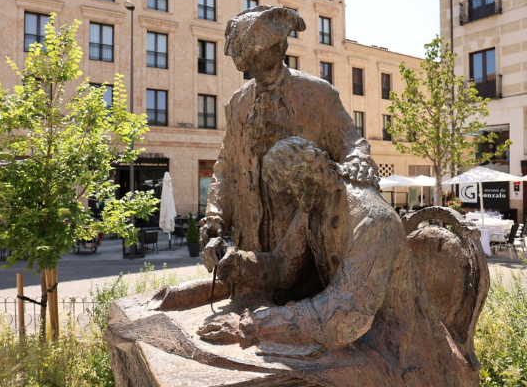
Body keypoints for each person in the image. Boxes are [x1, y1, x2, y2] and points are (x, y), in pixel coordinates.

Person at [198, 137, 477, 387]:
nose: (290, 202)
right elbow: (283, 266)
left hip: (398, 353)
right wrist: (235, 262)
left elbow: (345, 315)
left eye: (289, 193)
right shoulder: (314, 206)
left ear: (303, 179)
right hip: (354, 334)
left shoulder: (372, 219)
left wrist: (253, 324)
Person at [200, 6, 378, 275]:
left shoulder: (318, 94)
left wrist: (358, 158)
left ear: (280, 47)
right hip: (251, 244)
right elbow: (226, 167)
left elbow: (351, 142)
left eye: (259, 55)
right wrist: (216, 217)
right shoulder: (237, 103)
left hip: (304, 245)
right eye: (248, 61)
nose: (253, 66)